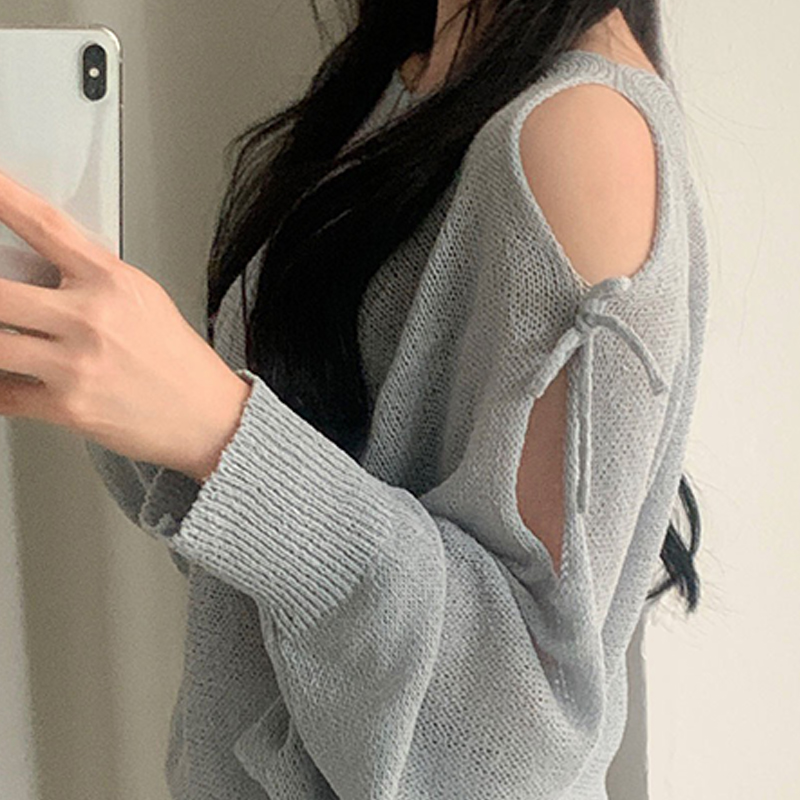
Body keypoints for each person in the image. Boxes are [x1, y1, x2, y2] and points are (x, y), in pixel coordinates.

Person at [0, 1, 710, 796]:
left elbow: (508, 740)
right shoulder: (414, 72)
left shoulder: (583, 131)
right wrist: (93, 360)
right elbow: (265, 583)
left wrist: (217, 430)